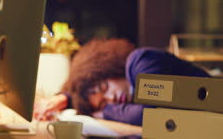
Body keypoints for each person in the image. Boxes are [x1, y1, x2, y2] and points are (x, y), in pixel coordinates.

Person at [34, 38, 210, 126]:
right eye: (103, 103)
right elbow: (81, 94)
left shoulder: (141, 61)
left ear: (108, 68)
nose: (112, 98)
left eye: (105, 87)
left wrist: (105, 112)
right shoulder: (131, 87)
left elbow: (152, 114)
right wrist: (63, 98)